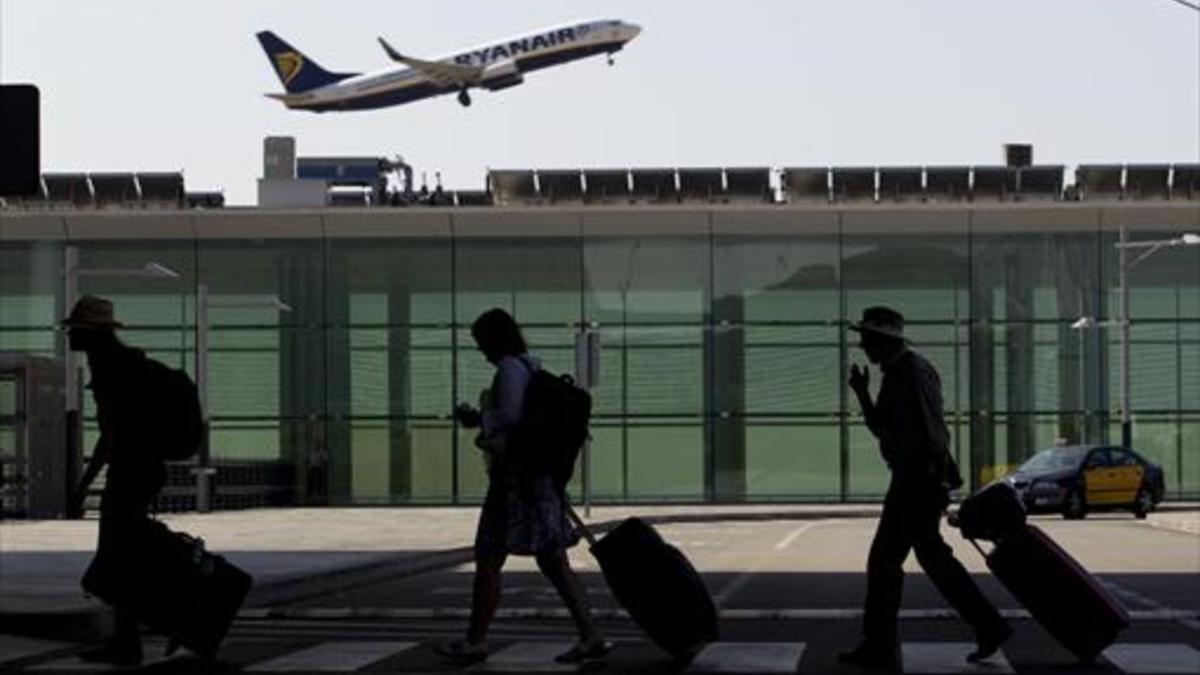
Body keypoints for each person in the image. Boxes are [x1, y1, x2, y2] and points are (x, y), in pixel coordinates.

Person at [435, 308, 610, 665]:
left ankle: (476, 642)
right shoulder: (528, 367)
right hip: (534, 482)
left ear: (494, 339)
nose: (480, 350)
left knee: (491, 558)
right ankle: (589, 635)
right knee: (549, 561)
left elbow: (511, 419)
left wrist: (479, 418)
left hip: (515, 485)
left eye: (481, 341)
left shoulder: (510, 370)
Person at [840, 306, 1011, 670]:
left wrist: (926, 474)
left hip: (915, 480)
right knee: (931, 557)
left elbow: (917, 433)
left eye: (867, 337)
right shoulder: (914, 369)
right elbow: (895, 428)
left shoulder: (905, 374)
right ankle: (988, 626)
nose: (862, 343)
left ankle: (880, 645)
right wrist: (863, 393)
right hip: (923, 478)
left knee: (885, 560)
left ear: (883, 340)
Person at [66, 295, 168, 666]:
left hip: (131, 473)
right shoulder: (122, 364)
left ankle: (127, 642)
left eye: (74, 329)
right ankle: (126, 639)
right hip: (143, 471)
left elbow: (110, 436)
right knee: (123, 555)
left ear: (90, 333)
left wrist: (83, 485)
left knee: (120, 555)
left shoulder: (111, 370)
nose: (69, 337)